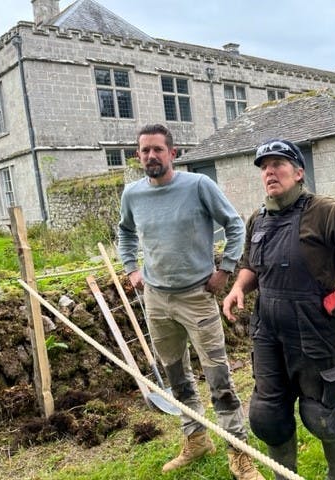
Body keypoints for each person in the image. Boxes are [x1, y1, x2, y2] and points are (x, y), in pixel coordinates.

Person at [222, 139, 335, 480]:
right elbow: (252, 266)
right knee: (269, 415)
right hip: (268, 331)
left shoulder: (323, 211)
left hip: (314, 330)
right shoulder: (258, 218)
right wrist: (238, 287)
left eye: (278, 164)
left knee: (320, 414)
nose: (269, 171)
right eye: (264, 167)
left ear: (298, 172)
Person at [117, 124, 264, 480]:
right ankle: (195, 438)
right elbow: (124, 232)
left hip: (197, 297)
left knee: (218, 376)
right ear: (138, 156)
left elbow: (234, 225)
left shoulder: (198, 186)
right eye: (144, 150)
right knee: (175, 374)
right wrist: (131, 268)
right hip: (156, 298)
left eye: (157, 149)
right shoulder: (132, 194)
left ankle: (238, 451)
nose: (151, 156)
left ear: (173, 152)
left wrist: (226, 269)